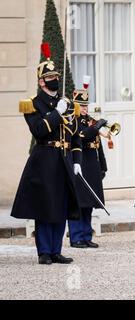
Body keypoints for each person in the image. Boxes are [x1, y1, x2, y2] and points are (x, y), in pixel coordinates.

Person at [11, 43, 82, 265]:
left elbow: (75, 134)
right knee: (44, 205)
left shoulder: (66, 103)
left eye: (56, 75)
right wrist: (56, 113)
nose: (55, 79)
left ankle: (56, 250)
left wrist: (77, 160)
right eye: (50, 76)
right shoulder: (32, 104)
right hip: (44, 158)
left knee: (60, 205)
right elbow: (39, 130)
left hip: (63, 158)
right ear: (41, 81)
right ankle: (44, 251)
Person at [68, 76, 107, 249]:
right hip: (79, 163)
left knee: (89, 202)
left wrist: (103, 166)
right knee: (78, 201)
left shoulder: (89, 121)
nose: (84, 108)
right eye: (81, 105)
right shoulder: (71, 121)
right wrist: (94, 127)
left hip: (92, 163)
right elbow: (81, 139)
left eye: (85, 105)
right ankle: (75, 236)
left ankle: (85, 235)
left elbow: (98, 146)